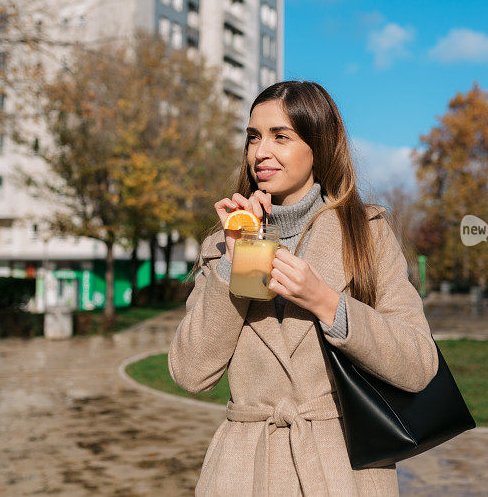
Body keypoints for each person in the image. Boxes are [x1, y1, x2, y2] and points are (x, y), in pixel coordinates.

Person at [168, 80, 439, 496]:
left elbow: (418, 364)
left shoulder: (367, 235)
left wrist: (329, 304)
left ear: (319, 145)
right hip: (244, 471)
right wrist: (233, 261)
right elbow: (191, 372)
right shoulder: (223, 243)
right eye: (253, 137)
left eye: (281, 136)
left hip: (343, 469)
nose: (261, 152)